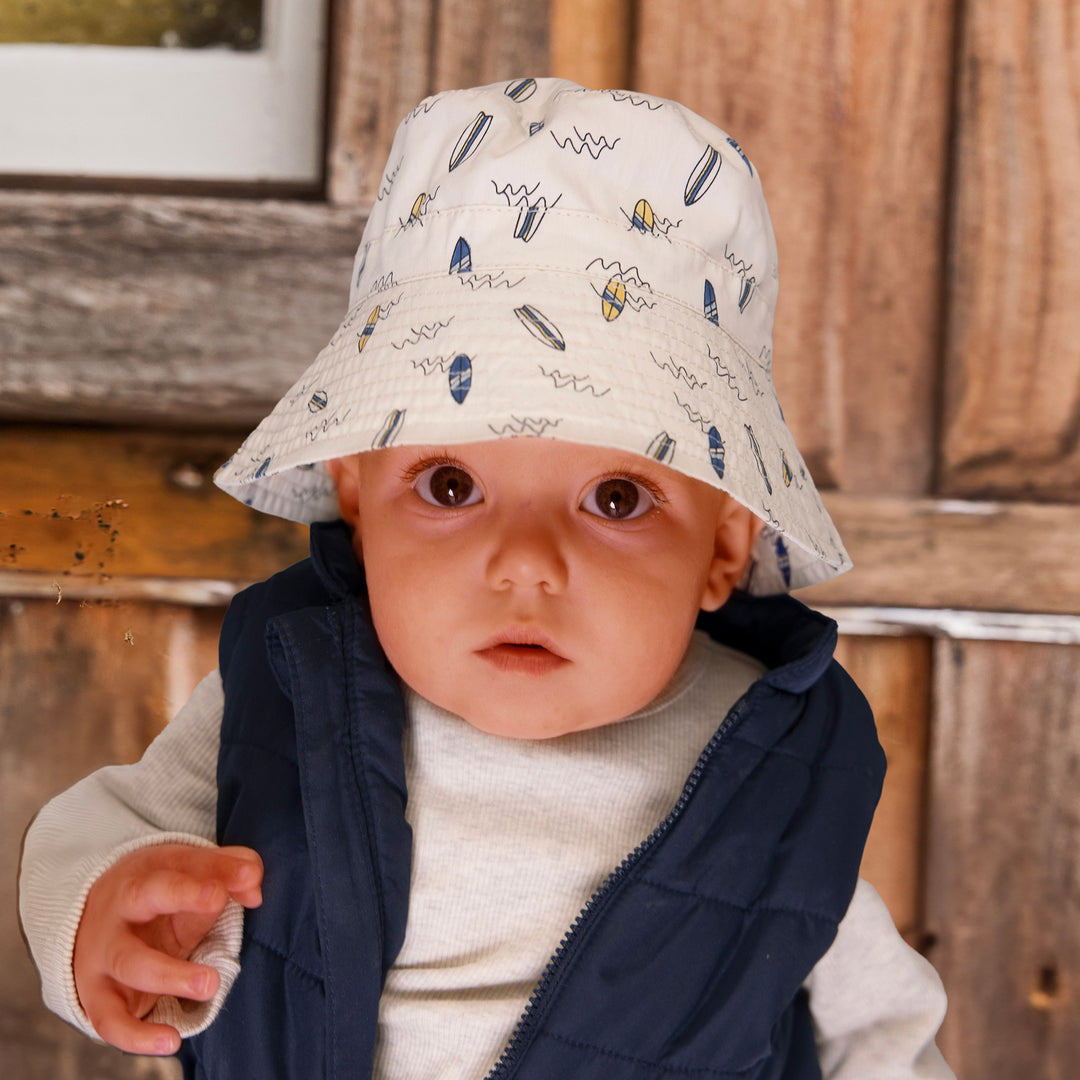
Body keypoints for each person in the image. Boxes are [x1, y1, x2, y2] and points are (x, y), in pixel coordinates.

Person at [20, 78, 954, 1079]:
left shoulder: (771, 760)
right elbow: (103, 827)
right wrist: (106, 909)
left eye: (617, 500)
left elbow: (878, 1030)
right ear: (359, 492)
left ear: (723, 545)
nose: (525, 562)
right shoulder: (291, 694)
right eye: (453, 484)